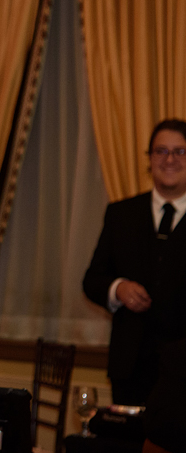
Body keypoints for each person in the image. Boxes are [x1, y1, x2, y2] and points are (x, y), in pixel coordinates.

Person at [83, 118, 186, 406]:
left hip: (182, 374)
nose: (170, 160)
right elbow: (92, 280)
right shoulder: (121, 214)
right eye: (161, 151)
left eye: (180, 152)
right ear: (150, 159)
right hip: (129, 371)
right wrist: (118, 289)